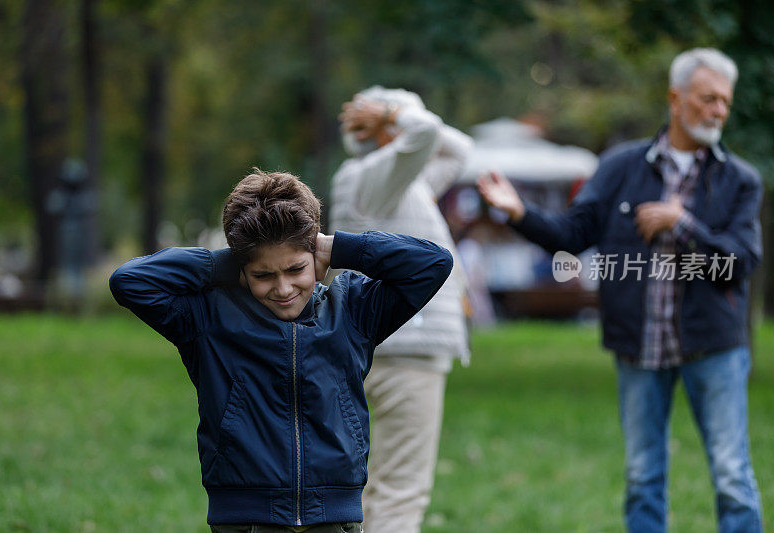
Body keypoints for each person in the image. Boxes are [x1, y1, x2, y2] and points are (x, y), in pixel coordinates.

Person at [479, 48, 763, 533]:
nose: (718, 111)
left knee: (733, 475)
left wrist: (683, 224)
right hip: (638, 345)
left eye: (725, 102)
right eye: (707, 99)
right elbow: (572, 236)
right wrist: (519, 212)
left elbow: (740, 263)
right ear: (676, 98)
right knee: (642, 475)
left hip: (714, 346)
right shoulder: (619, 167)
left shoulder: (740, 180)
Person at [109, 170, 453, 531]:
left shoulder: (353, 309)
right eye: (263, 275)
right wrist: (228, 263)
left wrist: (336, 247)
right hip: (245, 517)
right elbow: (129, 281)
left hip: (335, 515)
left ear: (314, 257)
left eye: (295, 268)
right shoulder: (206, 319)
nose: (283, 287)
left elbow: (432, 264)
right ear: (243, 272)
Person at [329, 86, 472, 533]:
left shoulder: (399, 183)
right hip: (406, 354)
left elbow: (459, 150)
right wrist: (398, 112)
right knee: (399, 493)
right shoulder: (374, 176)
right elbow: (427, 132)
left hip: (390, 348)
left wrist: (391, 116)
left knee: (372, 492)